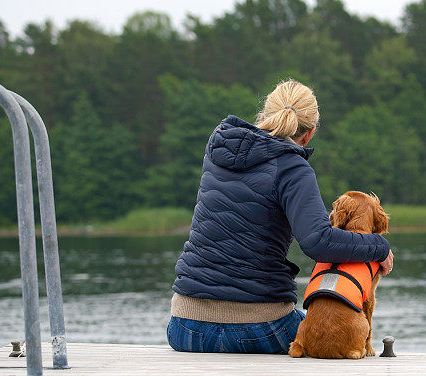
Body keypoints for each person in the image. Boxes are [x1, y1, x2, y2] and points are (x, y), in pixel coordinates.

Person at [167, 79, 394, 354]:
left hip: (185, 327)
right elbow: (319, 242)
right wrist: (379, 248)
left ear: (262, 118)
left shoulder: (218, 150)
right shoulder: (293, 168)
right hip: (259, 327)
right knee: (329, 331)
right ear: (308, 134)